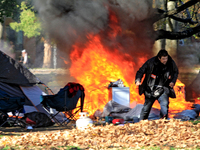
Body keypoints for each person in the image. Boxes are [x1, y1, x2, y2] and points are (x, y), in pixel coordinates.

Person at [135, 49, 179, 120]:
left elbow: (175, 72)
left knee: (164, 107)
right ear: (159, 58)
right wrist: (138, 80)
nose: (165, 60)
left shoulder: (171, 62)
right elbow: (140, 71)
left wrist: (173, 81)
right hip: (150, 88)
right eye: (163, 59)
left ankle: (162, 123)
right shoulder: (150, 62)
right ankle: (142, 122)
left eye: (166, 58)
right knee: (146, 109)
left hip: (163, 88)